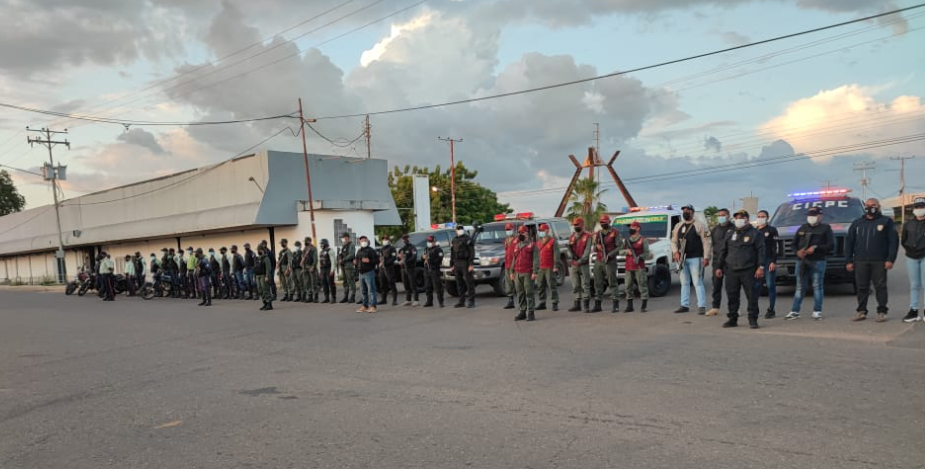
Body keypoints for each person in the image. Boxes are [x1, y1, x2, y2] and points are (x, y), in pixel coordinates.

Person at [846, 198, 899, 323]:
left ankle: (882, 312)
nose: (871, 207)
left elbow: (893, 242)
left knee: (880, 287)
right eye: (868, 205)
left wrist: (890, 259)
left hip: (880, 261)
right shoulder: (857, 223)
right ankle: (861, 311)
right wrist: (848, 260)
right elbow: (849, 243)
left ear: (879, 206)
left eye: (873, 205)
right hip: (860, 261)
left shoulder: (886, 222)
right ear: (865, 207)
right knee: (862, 287)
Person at [715, 209, 765, 329]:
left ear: (747, 219)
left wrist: (760, 267)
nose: (739, 220)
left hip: (748, 269)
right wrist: (719, 267)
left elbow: (761, 251)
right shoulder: (730, 232)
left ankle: (753, 319)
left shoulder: (755, 233)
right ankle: (732, 319)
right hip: (731, 269)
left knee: (751, 296)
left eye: (741, 218)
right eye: (737, 218)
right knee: (732, 296)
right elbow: (723, 251)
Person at [785, 207, 834, 321]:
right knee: (799, 287)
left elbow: (831, 245)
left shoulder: (825, 228)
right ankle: (795, 311)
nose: (811, 217)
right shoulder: (802, 227)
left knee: (817, 286)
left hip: (818, 261)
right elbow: (793, 244)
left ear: (820, 216)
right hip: (801, 261)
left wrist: (816, 248)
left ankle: (817, 311)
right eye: (810, 214)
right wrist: (797, 252)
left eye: (814, 214)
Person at [671, 204, 712, 315]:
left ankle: (701, 305)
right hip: (682, 259)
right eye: (684, 210)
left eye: (687, 210)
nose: (685, 212)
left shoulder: (699, 225)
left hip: (695, 258)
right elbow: (673, 241)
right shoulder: (678, 226)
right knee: (684, 283)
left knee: (697, 282)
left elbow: (706, 242)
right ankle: (684, 305)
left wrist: (706, 257)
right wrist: (675, 252)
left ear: (692, 212)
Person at [592, 214, 623, 313]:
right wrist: (597, 247)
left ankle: (615, 304)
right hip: (599, 260)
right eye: (601, 222)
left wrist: (610, 254)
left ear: (609, 222)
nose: (603, 224)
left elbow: (620, 247)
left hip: (610, 261)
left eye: (605, 222)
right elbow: (594, 247)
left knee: (612, 282)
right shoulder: (598, 234)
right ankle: (597, 305)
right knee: (597, 283)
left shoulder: (615, 232)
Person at [753, 210, 780, 318]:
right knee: (756, 286)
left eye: (763, 216)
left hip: (768, 260)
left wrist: (774, 261)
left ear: (767, 218)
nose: (760, 218)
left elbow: (777, 247)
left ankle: (771, 309)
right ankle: (755, 309)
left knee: (770, 285)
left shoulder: (772, 230)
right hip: (756, 261)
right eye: (758, 216)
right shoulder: (754, 231)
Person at [707, 209, 734, 316]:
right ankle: (715, 307)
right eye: (719, 215)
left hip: (730, 261)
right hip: (717, 262)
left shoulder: (733, 228)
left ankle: (733, 308)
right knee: (716, 285)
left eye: (723, 215)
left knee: (731, 286)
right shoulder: (715, 229)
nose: (721, 217)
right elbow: (711, 245)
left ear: (728, 216)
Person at [902, 197, 925, 322]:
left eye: (922, 207)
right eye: (917, 207)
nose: (919, 209)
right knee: (914, 285)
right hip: (911, 257)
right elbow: (904, 240)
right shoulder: (908, 224)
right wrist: (910, 250)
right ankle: (914, 311)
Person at [622, 220, 652, 313]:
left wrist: (640, 257)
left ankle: (643, 306)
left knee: (642, 285)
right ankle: (629, 306)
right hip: (628, 266)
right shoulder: (627, 240)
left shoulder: (643, 239)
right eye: (630, 227)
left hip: (639, 266)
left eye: (633, 227)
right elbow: (619, 251)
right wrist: (627, 251)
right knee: (628, 286)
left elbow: (647, 253)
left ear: (638, 229)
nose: (631, 229)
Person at [512, 225, 539, 321]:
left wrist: (535, 272)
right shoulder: (517, 245)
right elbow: (514, 260)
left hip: (527, 272)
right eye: (519, 233)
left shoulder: (532, 245)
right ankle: (522, 311)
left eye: (522, 232)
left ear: (527, 233)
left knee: (529, 292)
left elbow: (536, 259)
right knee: (520, 293)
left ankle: (531, 312)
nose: (520, 234)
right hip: (518, 273)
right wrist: (512, 271)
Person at [567, 217, 593, 313]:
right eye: (574, 225)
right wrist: (572, 256)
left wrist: (581, 260)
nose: (576, 226)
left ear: (582, 225)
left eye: (577, 225)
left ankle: (586, 305)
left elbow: (587, 251)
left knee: (585, 284)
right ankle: (577, 303)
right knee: (575, 284)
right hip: (574, 264)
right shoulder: (572, 237)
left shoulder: (588, 236)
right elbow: (569, 250)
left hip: (583, 264)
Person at [535, 223, 559, 312]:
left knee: (552, 285)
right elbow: (536, 256)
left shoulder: (552, 241)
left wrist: (555, 266)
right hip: (541, 267)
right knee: (540, 286)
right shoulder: (538, 242)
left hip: (550, 267)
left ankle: (554, 303)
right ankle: (542, 302)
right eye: (540, 231)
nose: (541, 232)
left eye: (543, 230)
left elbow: (556, 254)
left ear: (547, 230)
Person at [451, 226, 476, 308]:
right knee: (459, 283)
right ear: (455, 231)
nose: (459, 230)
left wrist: (471, 264)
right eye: (458, 229)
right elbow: (452, 253)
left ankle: (471, 301)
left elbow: (472, 252)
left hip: (465, 262)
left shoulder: (467, 239)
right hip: (457, 263)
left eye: (460, 229)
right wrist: (451, 265)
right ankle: (461, 301)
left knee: (469, 282)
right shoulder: (454, 240)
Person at [354, 236, 379, 313]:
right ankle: (364, 305)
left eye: (365, 240)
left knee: (371, 290)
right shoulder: (359, 251)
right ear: (360, 242)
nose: (363, 242)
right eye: (362, 241)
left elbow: (377, 260)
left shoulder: (371, 250)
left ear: (367, 241)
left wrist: (369, 261)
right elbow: (357, 260)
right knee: (363, 291)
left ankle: (373, 306)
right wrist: (355, 263)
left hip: (369, 272)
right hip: (361, 273)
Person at [422, 235, 445, 308]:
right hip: (427, 269)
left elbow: (439, 260)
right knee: (428, 286)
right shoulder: (426, 249)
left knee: (437, 286)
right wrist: (423, 258)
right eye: (429, 241)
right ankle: (429, 301)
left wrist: (429, 260)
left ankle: (441, 302)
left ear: (434, 242)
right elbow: (423, 257)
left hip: (434, 269)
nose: (430, 243)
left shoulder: (438, 249)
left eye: (431, 241)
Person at [398, 234, 420, 307]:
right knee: (406, 284)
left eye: (406, 238)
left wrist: (405, 261)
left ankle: (416, 300)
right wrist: (399, 258)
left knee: (413, 284)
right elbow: (399, 257)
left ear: (409, 239)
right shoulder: (402, 248)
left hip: (411, 268)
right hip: (403, 269)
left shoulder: (412, 247)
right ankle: (408, 300)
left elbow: (414, 257)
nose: (405, 240)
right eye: (404, 239)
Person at [379, 235, 399, 306]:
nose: (384, 240)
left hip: (389, 268)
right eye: (383, 239)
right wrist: (381, 262)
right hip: (382, 269)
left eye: (386, 239)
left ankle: (395, 300)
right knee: (382, 284)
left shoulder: (392, 248)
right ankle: (383, 299)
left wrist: (386, 263)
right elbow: (380, 257)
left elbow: (394, 258)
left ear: (389, 240)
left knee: (391, 284)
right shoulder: (382, 249)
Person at [502, 222, 517, 310]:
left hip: (515, 264)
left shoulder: (517, 240)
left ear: (513, 230)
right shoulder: (505, 240)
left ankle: (522, 301)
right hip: (507, 264)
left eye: (509, 229)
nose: (508, 231)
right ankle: (510, 301)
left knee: (518, 283)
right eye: (507, 229)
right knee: (508, 283)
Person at [338, 233, 356, 304]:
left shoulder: (351, 245)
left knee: (350, 280)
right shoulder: (343, 246)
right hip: (343, 265)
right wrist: (339, 259)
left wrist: (343, 260)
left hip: (348, 265)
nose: (342, 239)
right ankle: (346, 296)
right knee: (345, 281)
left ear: (347, 237)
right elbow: (341, 254)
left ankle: (353, 296)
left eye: (343, 237)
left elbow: (351, 255)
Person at [255, 244, 274, 311]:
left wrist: (267, 276)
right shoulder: (258, 258)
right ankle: (265, 303)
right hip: (258, 276)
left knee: (265, 289)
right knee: (260, 290)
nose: (258, 251)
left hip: (263, 275)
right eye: (257, 250)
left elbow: (268, 268)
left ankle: (269, 304)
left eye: (259, 250)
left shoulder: (266, 258)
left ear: (262, 250)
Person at [302, 237, 320, 303]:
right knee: (307, 282)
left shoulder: (313, 248)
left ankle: (316, 297)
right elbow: (303, 257)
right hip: (305, 267)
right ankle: (310, 296)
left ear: (309, 241)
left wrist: (313, 266)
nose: (305, 242)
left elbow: (315, 258)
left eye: (306, 241)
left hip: (311, 266)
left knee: (313, 282)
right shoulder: (305, 248)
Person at [318, 239, 336, 303]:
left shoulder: (330, 251)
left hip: (329, 269)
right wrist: (319, 271)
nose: (321, 245)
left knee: (331, 284)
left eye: (322, 244)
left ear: (325, 244)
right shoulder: (321, 252)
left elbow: (333, 261)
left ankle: (333, 298)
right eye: (320, 244)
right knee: (324, 284)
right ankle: (326, 298)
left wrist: (332, 270)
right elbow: (319, 262)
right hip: (323, 269)